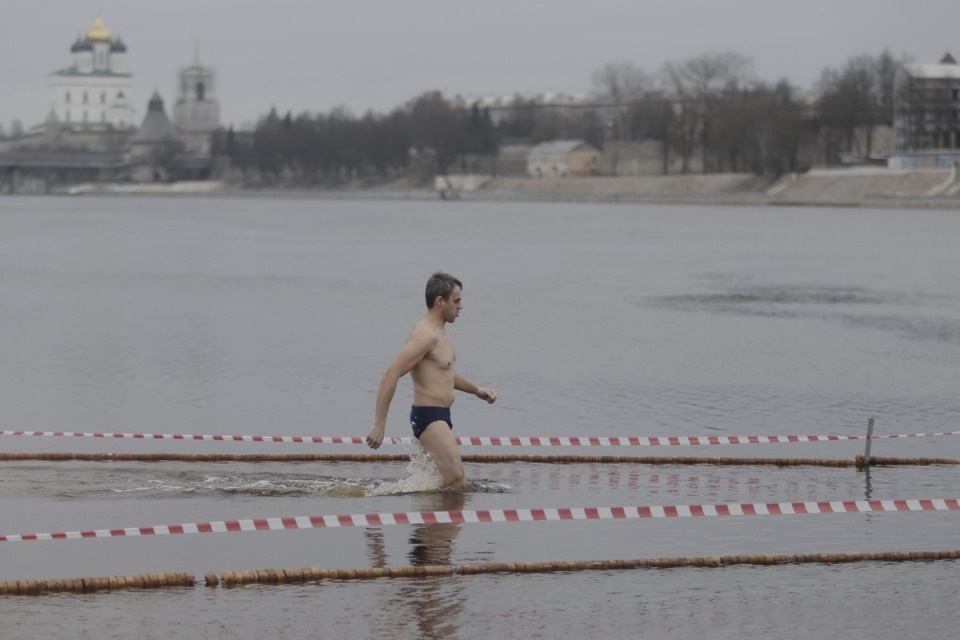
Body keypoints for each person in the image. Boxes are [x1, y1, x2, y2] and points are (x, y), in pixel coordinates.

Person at [365, 272, 496, 489]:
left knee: (440, 487)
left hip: (441, 416)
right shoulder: (426, 335)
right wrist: (379, 425)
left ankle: (430, 522)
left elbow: (444, 374)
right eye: (457, 300)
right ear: (439, 301)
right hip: (430, 418)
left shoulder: (441, 333)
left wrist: (476, 390)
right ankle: (451, 523)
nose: (461, 306)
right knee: (459, 484)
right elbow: (391, 374)